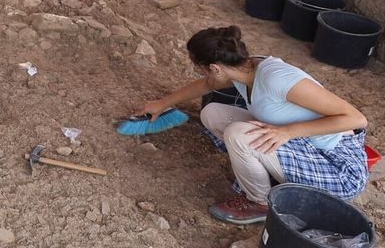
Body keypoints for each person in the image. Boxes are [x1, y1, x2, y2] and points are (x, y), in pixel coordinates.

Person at [137, 25, 369, 225]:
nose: (203, 74)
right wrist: (162, 103)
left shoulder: (277, 78)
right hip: (301, 145)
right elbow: (206, 86)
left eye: (201, 68)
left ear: (216, 68)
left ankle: (260, 203)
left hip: (336, 166)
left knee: (238, 134)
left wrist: (289, 131)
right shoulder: (243, 70)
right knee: (213, 113)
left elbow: (356, 119)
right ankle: (264, 175)